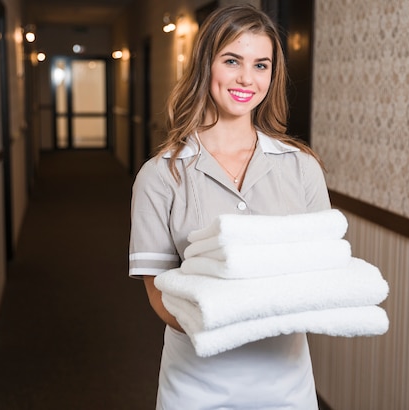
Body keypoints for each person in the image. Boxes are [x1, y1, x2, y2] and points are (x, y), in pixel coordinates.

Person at [129, 4, 330, 409]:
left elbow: (322, 271)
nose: (246, 78)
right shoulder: (161, 175)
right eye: (232, 60)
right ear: (207, 65)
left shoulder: (301, 168)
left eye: (261, 65)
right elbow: (159, 294)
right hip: (198, 381)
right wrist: (230, 323)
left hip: (284, 383)